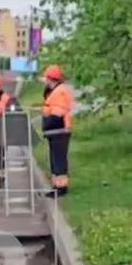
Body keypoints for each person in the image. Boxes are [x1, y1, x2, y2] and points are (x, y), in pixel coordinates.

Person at [41, 64, 74, 198]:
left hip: (59, 131)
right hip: (56, 131)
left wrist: (46, 125)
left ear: (50, 78)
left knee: (58, 159)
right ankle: (57, 186)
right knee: (55, 160)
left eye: (46, 78)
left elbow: (57, 115)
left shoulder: (59, 92)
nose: (44, 80)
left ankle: (61, 188)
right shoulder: (55, 91)